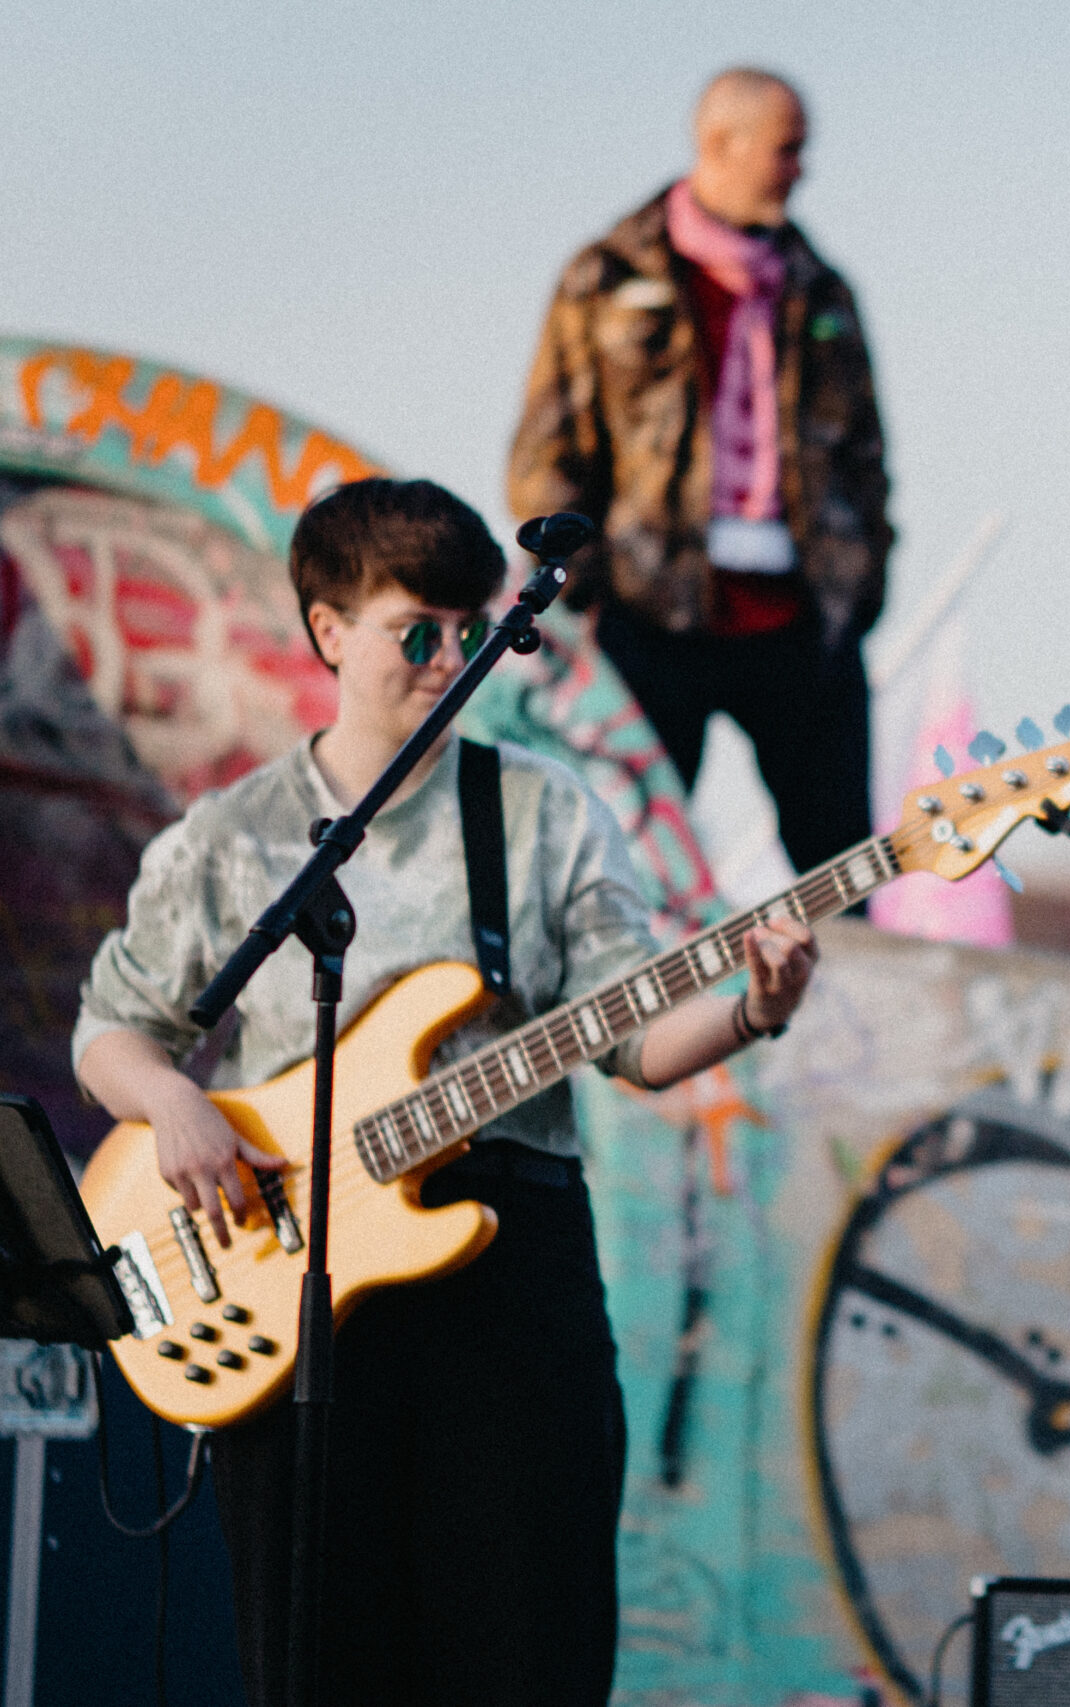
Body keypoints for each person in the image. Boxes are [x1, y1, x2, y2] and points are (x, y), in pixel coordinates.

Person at [72, 479, 816, 1707]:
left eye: (468, 631)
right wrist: (177, 1105)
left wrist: (754, 1007)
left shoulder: (540, 810)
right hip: (291, 1284)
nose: (450, 658)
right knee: (320, 1661)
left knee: (524, 1647)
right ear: (328, 631)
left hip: (510, 1276)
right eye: (416, 632)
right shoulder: (234, 833)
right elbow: (114, 1031)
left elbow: (633, 1038)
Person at [509, 65, 892, 874]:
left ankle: (832, 968)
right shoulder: (606, 278)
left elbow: (865, 456)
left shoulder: (824, 292)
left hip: (803, 622)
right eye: (786, 149)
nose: (800, 170)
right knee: (621, 864)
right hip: (649, 617)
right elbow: (549, 449)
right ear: (721, 143)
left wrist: (861, 588)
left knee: (844, 867)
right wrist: (584, 597)